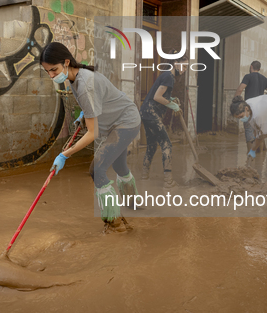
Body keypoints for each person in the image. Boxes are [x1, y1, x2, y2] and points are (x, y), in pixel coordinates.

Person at [40, 42, 141, 232]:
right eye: (47, 72)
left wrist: (65, 155)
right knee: (119, 165)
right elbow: (92, 104)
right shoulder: (74, 78)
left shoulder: (85, 83)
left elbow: (93, 134)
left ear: (67, 62)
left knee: (97, 169)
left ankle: (115, 223)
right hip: (115, 121)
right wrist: (83, 116)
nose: (52, 75)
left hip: (126, 122)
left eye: (54, 69)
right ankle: (133, 202)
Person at [139, 53, 188, 188]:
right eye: (183, 66)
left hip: (146, 112)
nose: (184, 70)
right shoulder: (169, 77)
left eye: (186, 67)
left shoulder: (166, 75)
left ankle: (144, 176)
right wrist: (172, 105)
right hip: (151, 112)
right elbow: (157, 97)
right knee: (167, 144)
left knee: (152, 145)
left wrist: (171, 100)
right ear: (176, 63)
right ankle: (168, 180)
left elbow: (162, 95)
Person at [235, 61, 267, 152]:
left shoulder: (248, 77)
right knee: (258, 131)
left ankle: (250, 157)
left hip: (249, 108)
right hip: (260, 109)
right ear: (259, 69)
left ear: (251, 67)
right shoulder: (264, 79)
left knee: (249, 130)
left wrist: (236, 102)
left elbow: (240, 89)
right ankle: (260, 158)